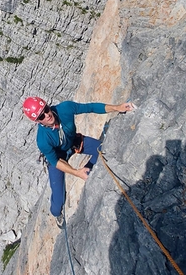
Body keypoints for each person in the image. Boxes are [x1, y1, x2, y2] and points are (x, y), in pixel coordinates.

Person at [22, 97, 135, 227]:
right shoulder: (42, 140)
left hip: (73, 143)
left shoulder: (64, 108)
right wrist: (76, 172)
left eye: (46, 109)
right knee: (58, 200)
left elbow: (91, 107)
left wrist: (117, 107)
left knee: (103, 149)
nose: (47, 115)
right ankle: (56, 213)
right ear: (37, 121)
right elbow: (56, 161)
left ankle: (88, 169)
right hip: (58, 158)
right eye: (41, 116)